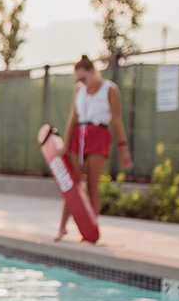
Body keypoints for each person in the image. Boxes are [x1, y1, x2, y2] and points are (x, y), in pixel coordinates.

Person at [54, 54, 133, 242]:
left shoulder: (110, 89)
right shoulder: (79, 90)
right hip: (79, 135)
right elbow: (73, 117)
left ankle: (90, 228)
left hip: (98, 135)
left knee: (92, 185)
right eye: (77, 79)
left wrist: (123, 148)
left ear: (93, 72)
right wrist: (65, 144)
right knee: (72, 183)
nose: (80, 82)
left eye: (83, 78)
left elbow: (117, 120)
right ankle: (62, 227)